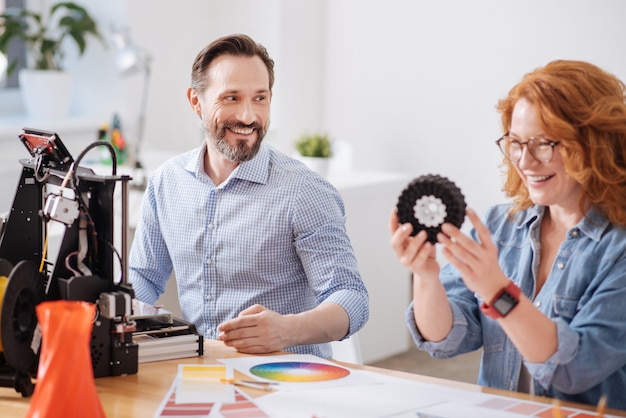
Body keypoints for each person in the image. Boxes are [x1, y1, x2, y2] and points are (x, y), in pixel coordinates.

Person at [389, 60, 626, 410]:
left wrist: (496, 290)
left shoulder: (617, 249)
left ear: (595, 144)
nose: (525, 161)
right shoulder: (502, 224)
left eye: (544, 143)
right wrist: (426, 276)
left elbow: (571, 369)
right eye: (515, 142)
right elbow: (447, 337)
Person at [129, 33, 369, 358]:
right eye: (231, 98)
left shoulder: (304, 191)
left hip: (287, 382)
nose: (248, 116)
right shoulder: (165, 184)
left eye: (260, 98)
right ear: (196, 101)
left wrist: (287, 330)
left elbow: (351, 298)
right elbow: (143, 277)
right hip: (203, 374)